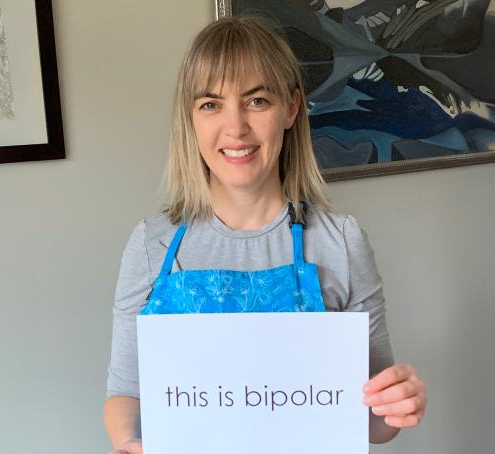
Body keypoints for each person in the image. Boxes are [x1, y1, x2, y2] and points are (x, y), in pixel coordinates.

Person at [104, 16, 427, 454]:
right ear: (191, 118)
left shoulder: (341, 242)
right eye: (211, 104)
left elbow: (373, 422)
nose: (235, 128)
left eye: (256, 101)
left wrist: (396, 404)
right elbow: (127, 390)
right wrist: (127, 441)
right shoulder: (151, 245)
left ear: (291, 108)